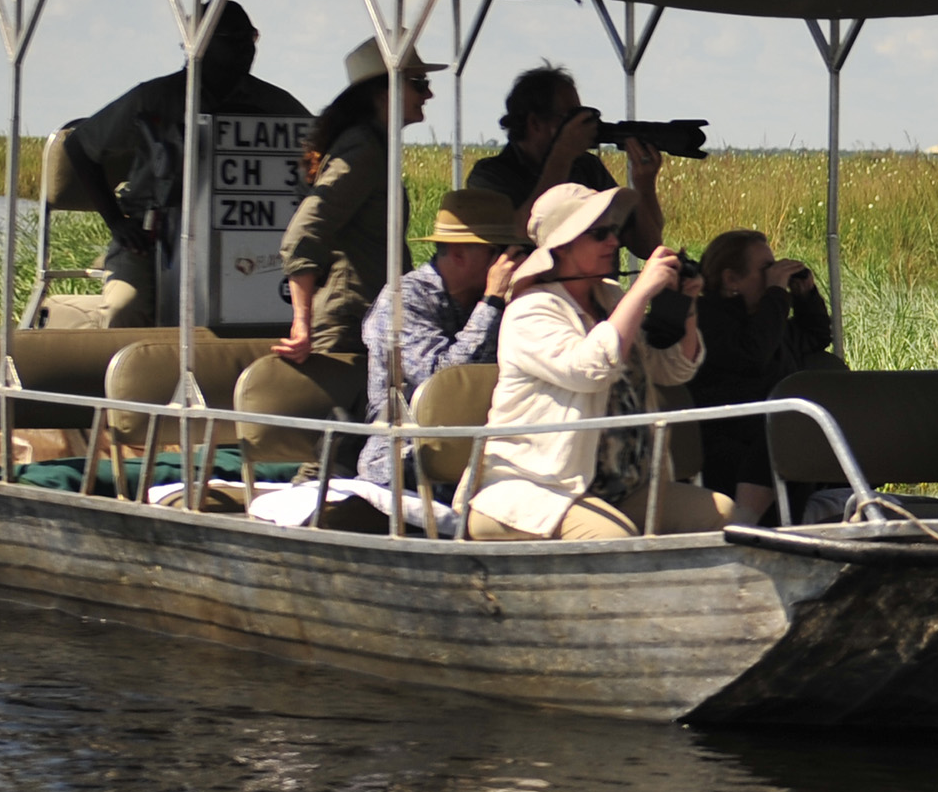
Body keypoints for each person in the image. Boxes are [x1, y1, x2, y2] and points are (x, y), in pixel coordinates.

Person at [468, 182, 711, 540]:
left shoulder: (609, 297)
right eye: (599, 234)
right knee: (613, 540)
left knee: (722, 517)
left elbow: (669, 369)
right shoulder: (531, 311)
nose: (614, 242)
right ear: (562, 247)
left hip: (619, 487)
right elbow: (590, 370)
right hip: (539, 489)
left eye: (614, 231)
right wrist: (643, 289)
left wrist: (684, 306)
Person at [62, 4, 307, 325]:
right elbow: (79, 145)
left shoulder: (275, 104)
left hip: (246, 244)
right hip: (151, 240)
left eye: (251, 38)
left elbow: (316, 147)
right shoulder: (154, 98)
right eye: (234, 39)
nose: (247, 49)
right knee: (124, 311)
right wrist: (116, 222)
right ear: (201, 44)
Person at [274, 40, 433, 361]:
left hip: (365, 322)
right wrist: (301, 326)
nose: (428, 95)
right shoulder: (363, 150)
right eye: (419, 84)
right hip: (349, 329)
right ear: (385, 91)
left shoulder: (374, 145)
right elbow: (303, 234)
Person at [352, 188, 516, 488]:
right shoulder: (402, 300)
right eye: (502, 251)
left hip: (486, 454)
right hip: (407, 461)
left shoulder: (508, 300)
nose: (511, 263)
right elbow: (445, 383)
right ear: (458, 254)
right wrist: (492, 302)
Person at [685, 227, 837, 524]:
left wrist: (804, 296)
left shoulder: (766, 319)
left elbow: (815, 336)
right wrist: (777, 293)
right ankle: (749, 523)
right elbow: (753, 355)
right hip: (727, 448)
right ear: (731, 279)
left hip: (776, 444)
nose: (773, 275)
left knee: (795, 429)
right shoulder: (706, 319)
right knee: (788, 431)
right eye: (766, 269)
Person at [467, 62, 666, 251]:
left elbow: (646, 246)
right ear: (535, 123)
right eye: (571, 117)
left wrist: (644, 185)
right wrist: (562, 155)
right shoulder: (491, 176)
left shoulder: (587, 168)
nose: (581, 124)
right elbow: (524, 230)